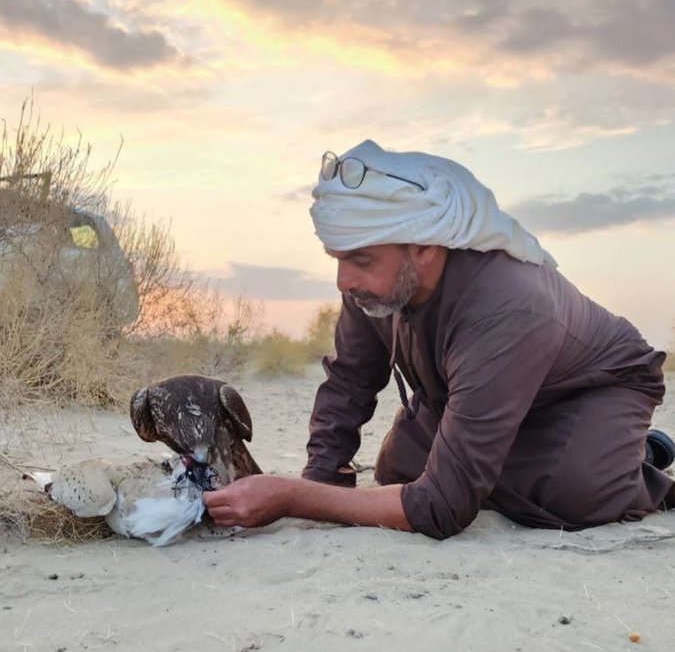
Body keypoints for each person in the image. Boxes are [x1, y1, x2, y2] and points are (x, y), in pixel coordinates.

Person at [205, 140, 675, 539]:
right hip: (468, 395)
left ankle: (640, 456)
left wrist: (293, 496)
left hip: (589, 391)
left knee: (572, 495)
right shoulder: (371, 290)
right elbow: (349, 384)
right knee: (398, 470)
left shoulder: (511, 304)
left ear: (426, 247)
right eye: (336, 259)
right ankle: (590, 453)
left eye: (361, 260)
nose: (343, 281)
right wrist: (323, 478)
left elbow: (442, 510)